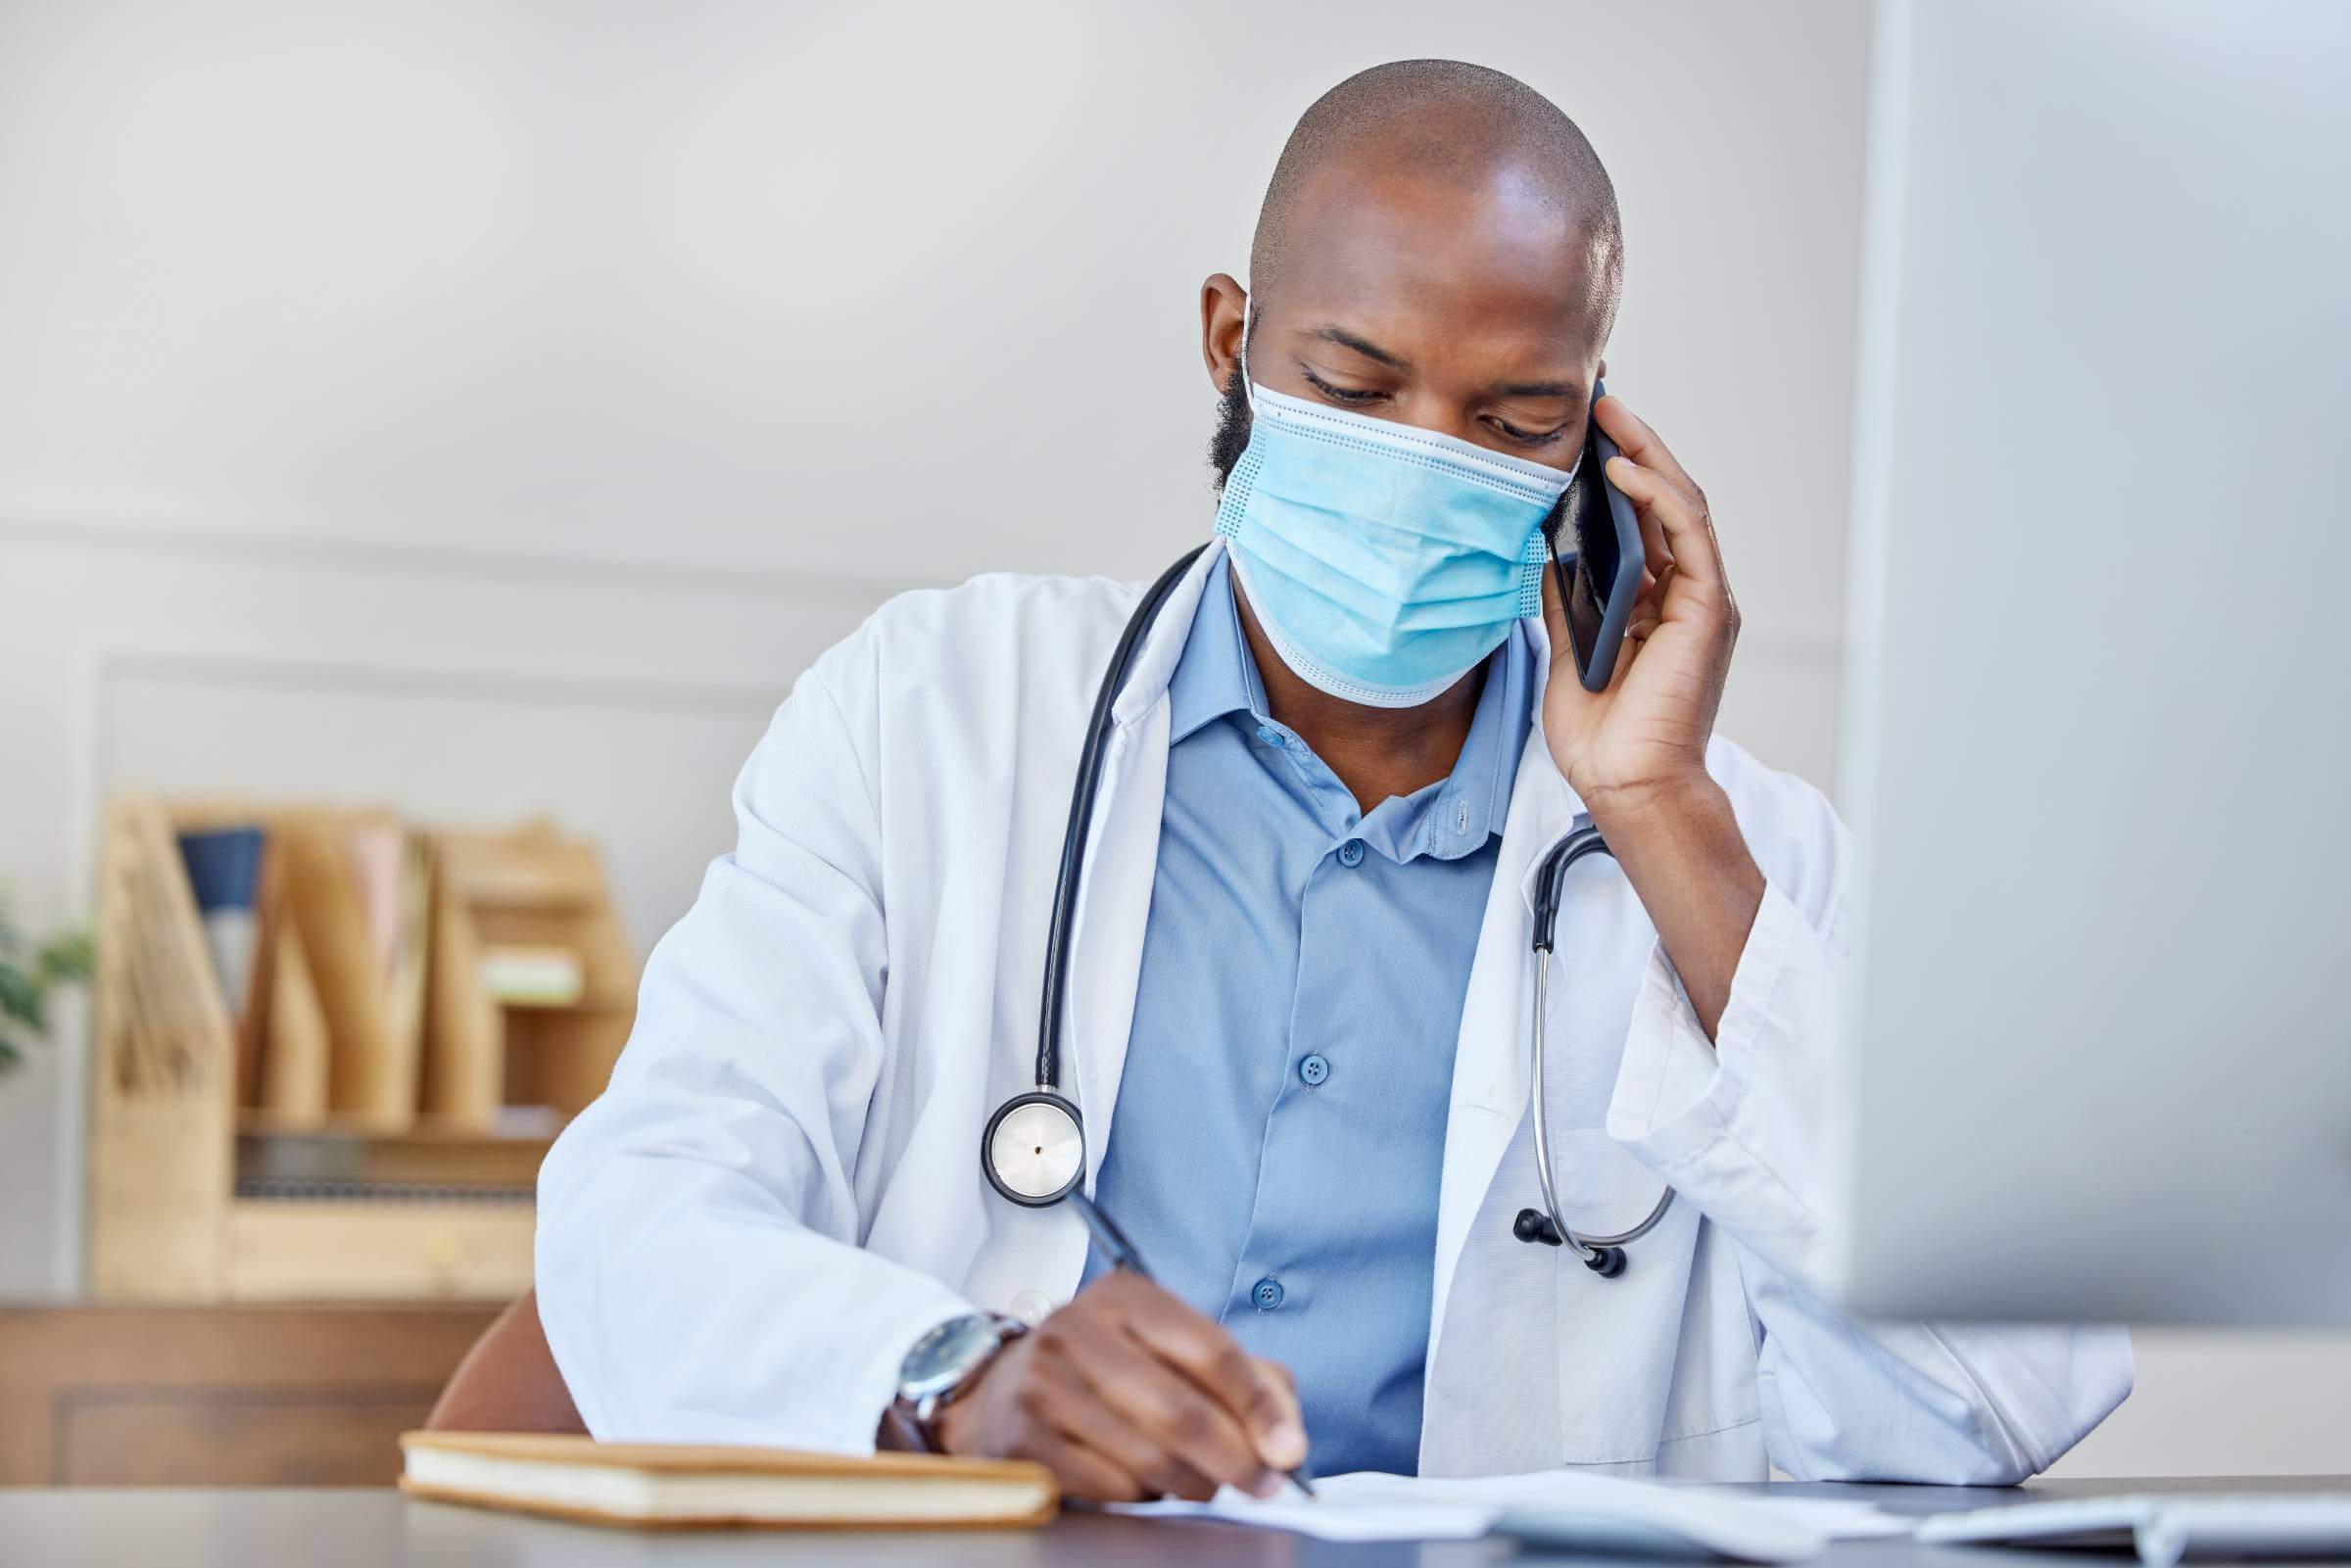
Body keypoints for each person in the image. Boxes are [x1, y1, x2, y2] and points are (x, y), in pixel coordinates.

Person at [535, 59, 2131, 1499]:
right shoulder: (936, 714)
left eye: (1512, 418)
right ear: (1232, 341)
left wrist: (1660, 811)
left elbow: (2000, 1399)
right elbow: (637, 1222)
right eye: (1360, 390)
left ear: (1595, 452)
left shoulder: (1733, 860)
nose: (1425, 458)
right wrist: (960, 1377)